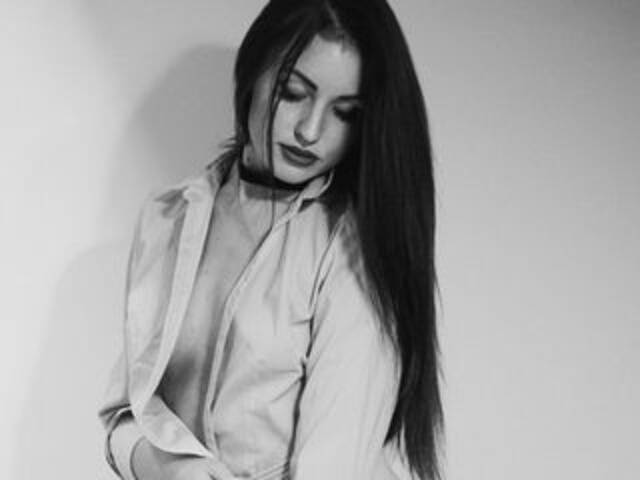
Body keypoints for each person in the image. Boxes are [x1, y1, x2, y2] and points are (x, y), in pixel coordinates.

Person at [98, 0, 443, 479]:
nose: (310, 130)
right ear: (252, 76)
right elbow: (123, 418)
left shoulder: (353, 252)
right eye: (293, 93)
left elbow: (334, 469)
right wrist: (171, 469)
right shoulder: (169, 217)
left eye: (345, 113)